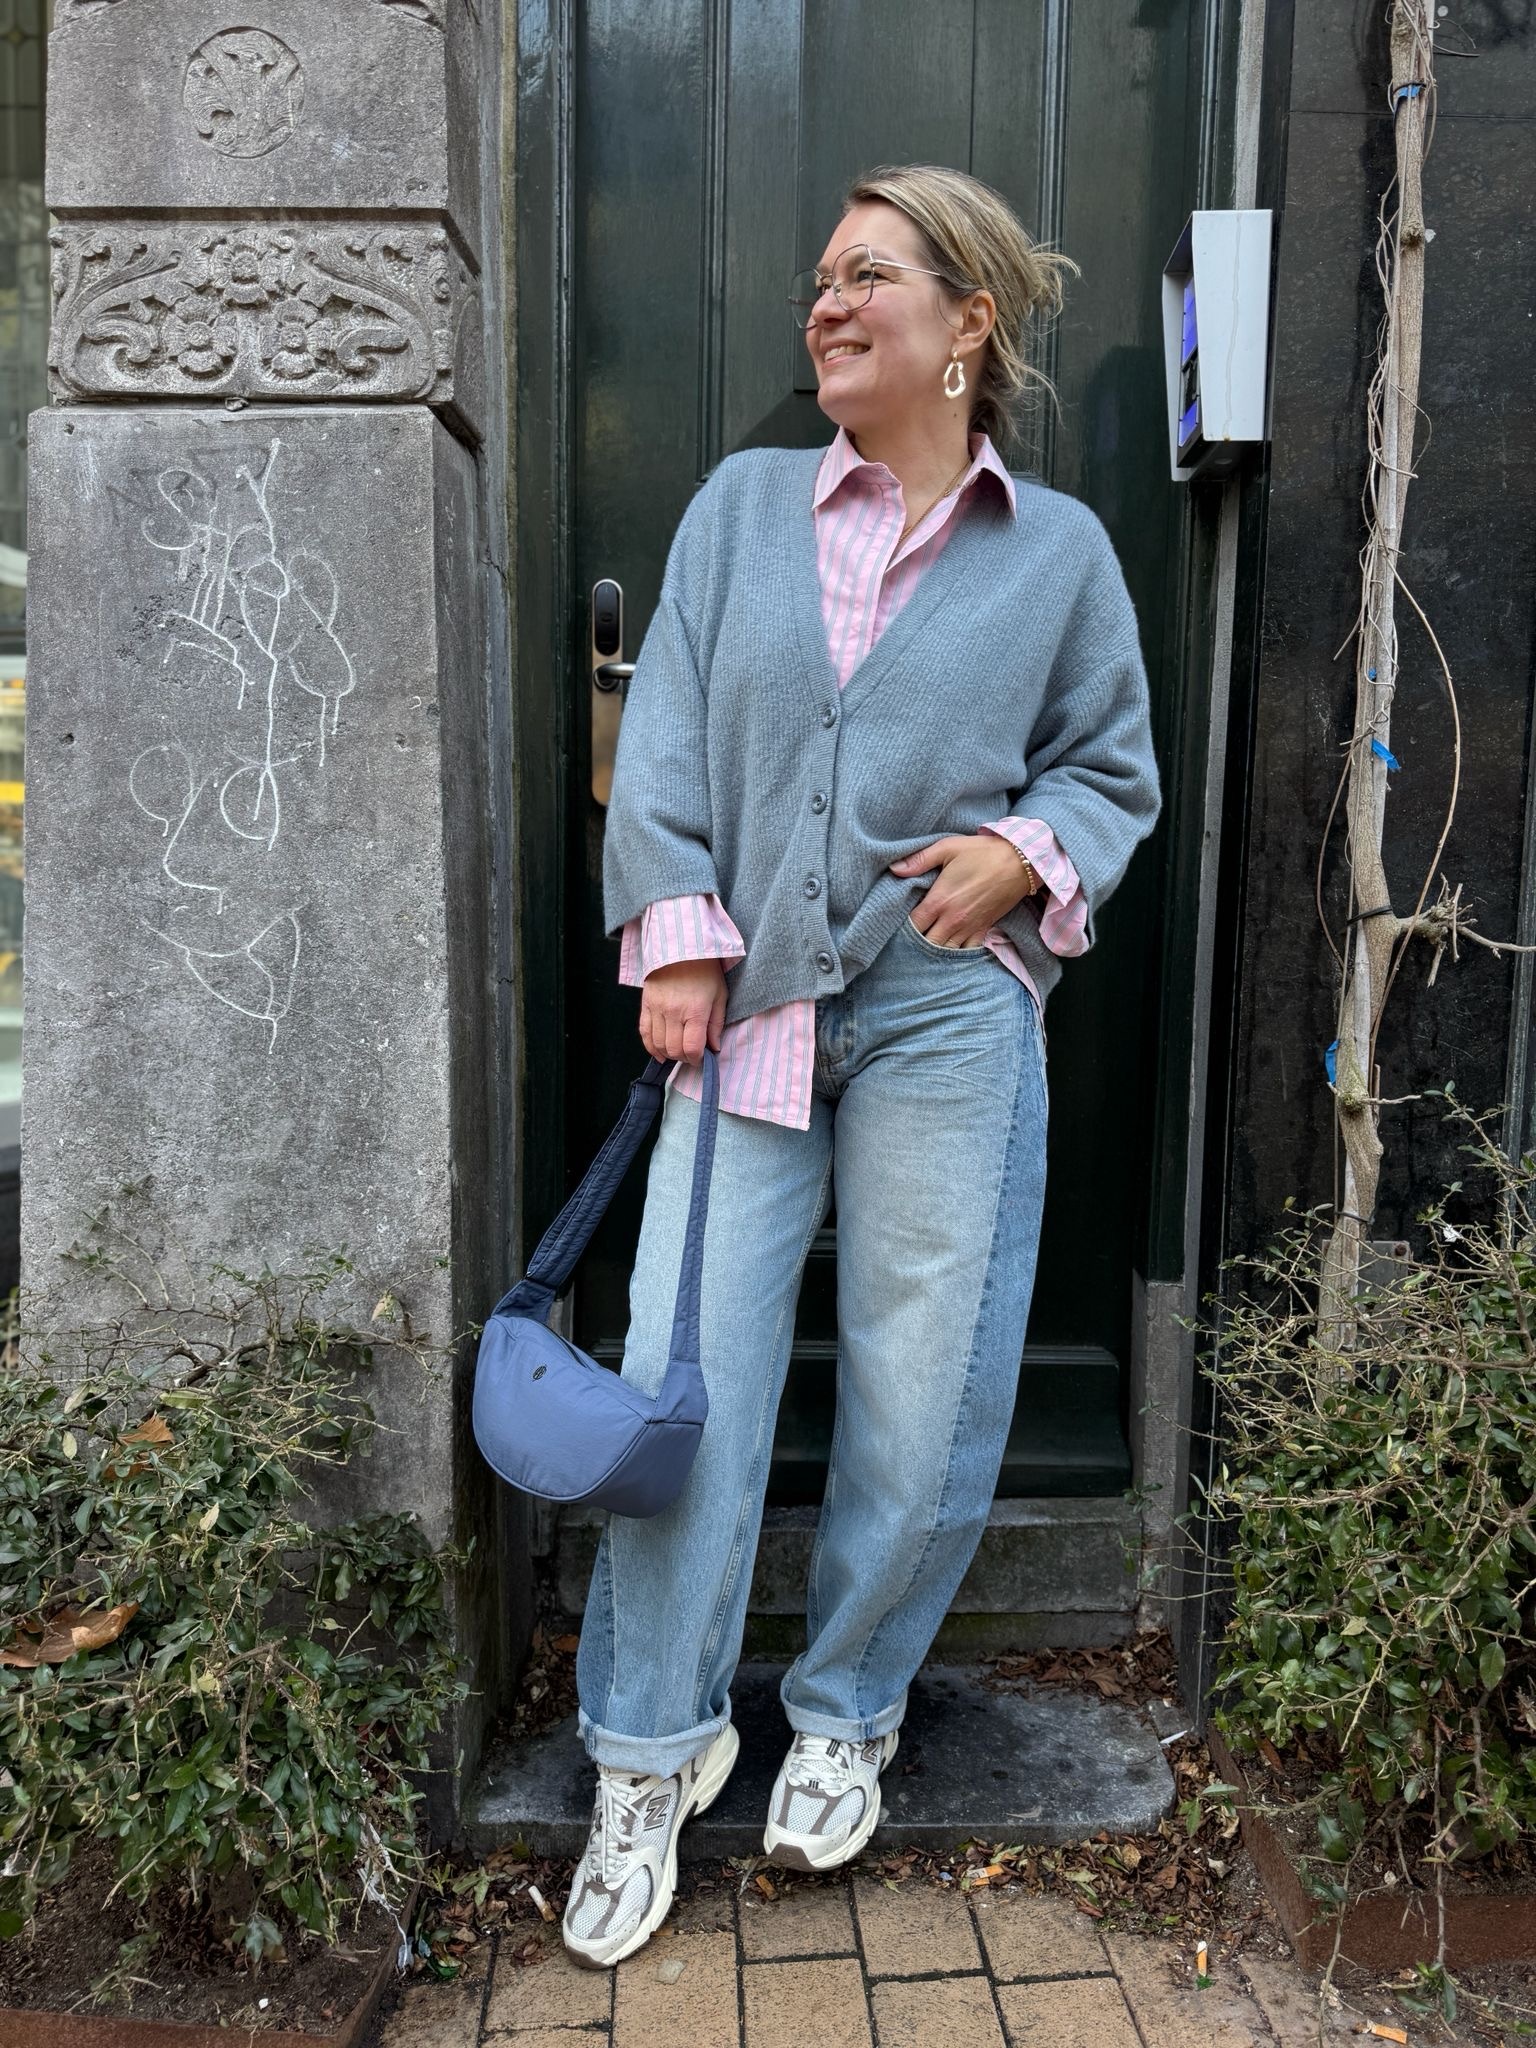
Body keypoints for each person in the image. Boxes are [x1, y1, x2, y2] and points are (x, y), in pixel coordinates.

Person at [563, 163, 1161, 1969]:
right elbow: (662, 735)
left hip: (945, 1007)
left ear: (968, 319)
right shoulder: (740, 510)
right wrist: (678, 932)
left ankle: (846, 1709)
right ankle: (651, 1753)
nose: (826, 303)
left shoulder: (1058, 555)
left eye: (865, 275)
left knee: (925, 1378)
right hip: (745, 1006)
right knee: (687, 1377)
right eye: (818, 280)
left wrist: (1020, 859)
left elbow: (1111, 771)